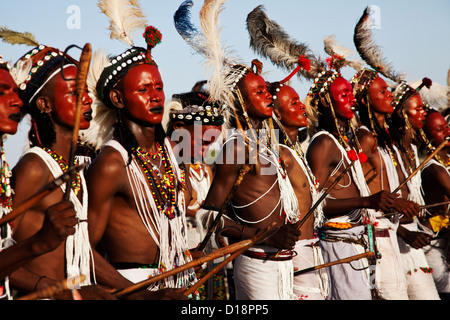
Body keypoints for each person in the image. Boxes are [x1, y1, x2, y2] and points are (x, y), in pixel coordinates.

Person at [83, 21, 194, 299]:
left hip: (178, 284)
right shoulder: (112, 162)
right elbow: (83, 248)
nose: (156, 96)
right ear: (118, 99)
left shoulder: (170, 152)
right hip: (134, 287)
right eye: (143, 90)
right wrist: (140, 294)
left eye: (159, 87)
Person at [7, 44, 116, 300]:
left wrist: (139, 293)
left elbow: (83, 251)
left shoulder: (73, 169)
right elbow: (3, 257)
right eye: (75, 93)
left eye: (86, 91)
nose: (87, 99)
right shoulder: (34, 168)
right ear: (45, 104)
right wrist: (55, 290)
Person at [305, 54, 400, 300]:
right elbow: (313, 207)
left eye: (351, 93)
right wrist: (367, 202)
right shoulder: (323, 143)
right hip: (337, 245)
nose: (352, 100)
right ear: (326, 102)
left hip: (356, 241)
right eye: (343, 95)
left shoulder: (342, 142)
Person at [351, 68, 418, 299]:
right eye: (382, 91)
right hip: (374, 235)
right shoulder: (364, 137)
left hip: (390, 232)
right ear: (364, 100)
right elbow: (356, 188)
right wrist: (393, 204)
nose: (389, 95)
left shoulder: (385, 138)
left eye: (388, 90)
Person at [163, 88, 228, 300]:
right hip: (173, 263)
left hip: (200, 250)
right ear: (179, 128)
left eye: (212, 142)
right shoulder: (164, 166)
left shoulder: (200, 167)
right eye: (205, 140)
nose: (208, 149)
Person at [268, 78, 328, 300]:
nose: (302, 105)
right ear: (277, 114)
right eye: (293, 103)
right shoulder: (280, 155)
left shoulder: (294, 153)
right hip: (294, 250)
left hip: (309, 247)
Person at [388, 79, 441, 299]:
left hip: (413, 237)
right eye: (417, 108)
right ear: (402, 113)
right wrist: (402, 231)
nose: (423, 113)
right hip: (393, 240)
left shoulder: (409, 148)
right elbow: (373, 200)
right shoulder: (386, 147)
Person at [419, 109, 450, 299]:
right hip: (432, 243)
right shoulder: (434, 169)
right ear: (426, 137)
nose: (447, 132)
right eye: (439, 130)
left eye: (446, 126)